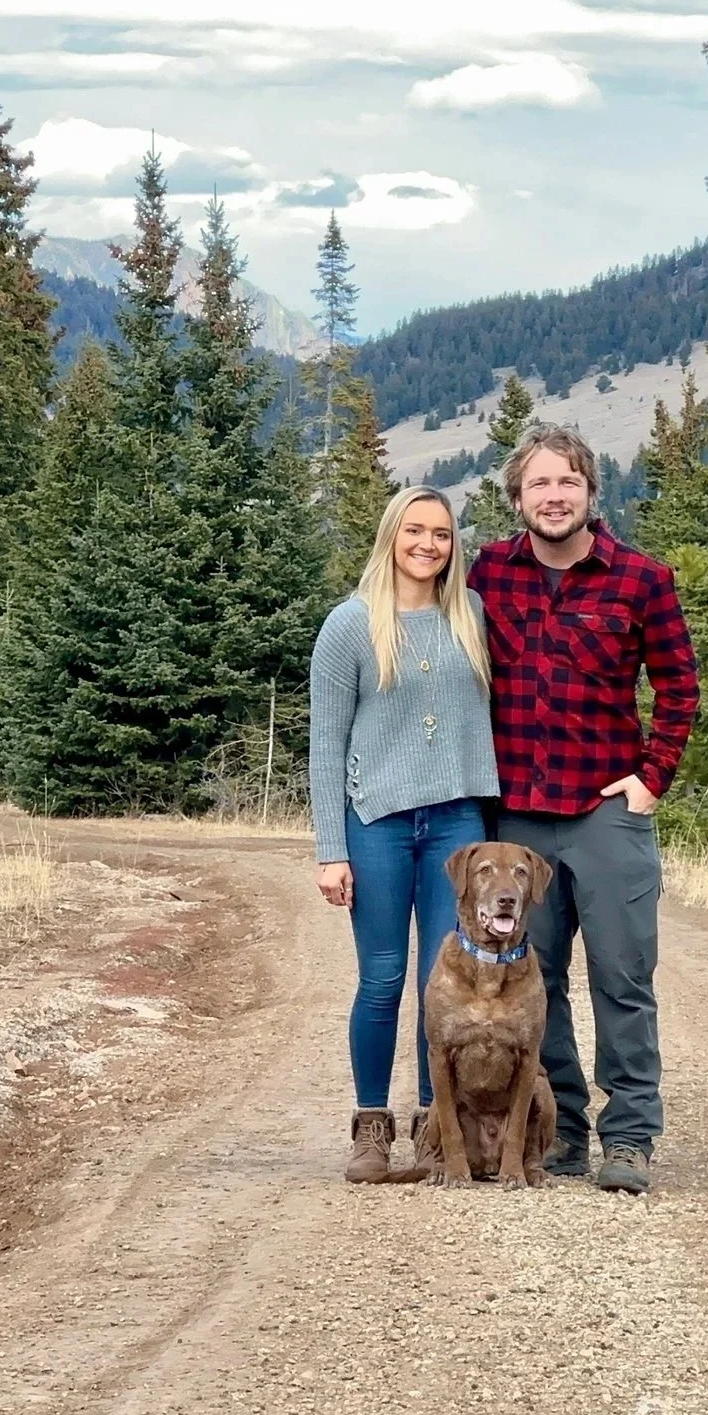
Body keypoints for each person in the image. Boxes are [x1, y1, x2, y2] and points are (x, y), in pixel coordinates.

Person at [469, 424, 699, 1194]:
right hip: (519, 817)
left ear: (590, 492)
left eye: (567, 482)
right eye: (539, 483)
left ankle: (629, 1135)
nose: (554, 496)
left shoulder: (641, 578)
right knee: (537, 976)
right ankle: (560, 1127)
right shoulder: (488, 575)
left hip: (607, 811)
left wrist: (651, 779)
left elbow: (679, 687)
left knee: (623, 974)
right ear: (518, 497)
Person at [309, 486, 502, 1184]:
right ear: (392, 534)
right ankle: (370, 1126)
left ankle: (434, 1126)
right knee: (384, 976)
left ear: (454, 546)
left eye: (442, 534)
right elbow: (325, 745)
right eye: (415, 530)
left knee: (439, 982)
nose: (428, 544)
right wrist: (331, 849)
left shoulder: (470, 616)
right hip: (378, 822)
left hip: (455, 820)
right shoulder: (350, 625)